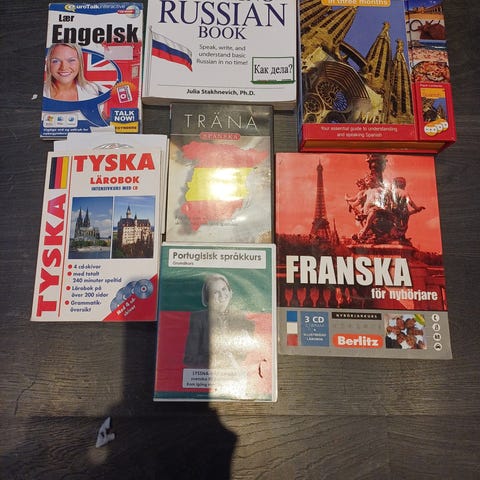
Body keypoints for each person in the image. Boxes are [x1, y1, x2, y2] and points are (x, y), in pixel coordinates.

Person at [183, 274, 255, 369]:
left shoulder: (241, 317)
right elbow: (189, 359)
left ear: (230, 292)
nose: (222, 295)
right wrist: (217, 359)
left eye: (224, 289)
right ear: (208, 298)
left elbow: (250, 357)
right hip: (207, 374)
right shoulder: (198, 319)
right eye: (216, 292)